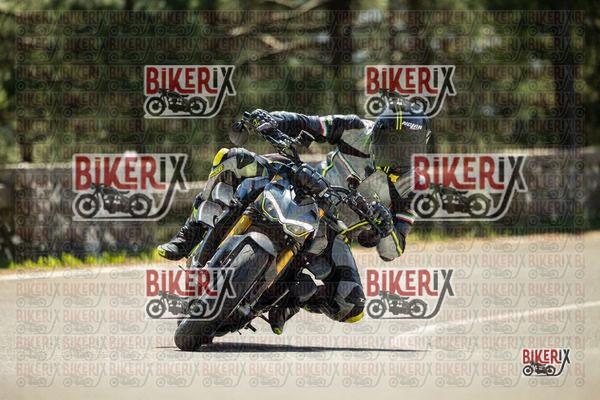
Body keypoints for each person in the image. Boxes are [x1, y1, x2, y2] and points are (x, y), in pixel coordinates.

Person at [157, 108, 431, 333]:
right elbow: (307, 122)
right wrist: (271, 119)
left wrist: (386, 228)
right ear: (378, 133)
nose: (398, 153)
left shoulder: (414, 184)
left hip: (334, 229)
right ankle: (192, 231)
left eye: (407, 148)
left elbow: (392, 250)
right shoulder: (356, 128)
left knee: (352, 305)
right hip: (306, 184)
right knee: (232, 159)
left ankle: (290, 299)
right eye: (392, 144)